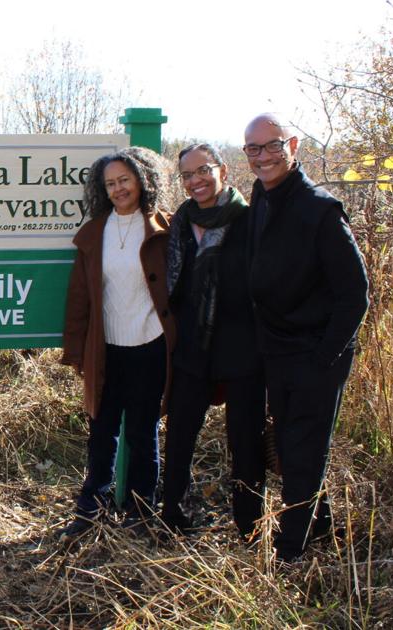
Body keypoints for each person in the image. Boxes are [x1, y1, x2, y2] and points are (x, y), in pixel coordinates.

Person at [243, 114, 368, 561]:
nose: (262, 157)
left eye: (271, 146)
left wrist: (324, 357)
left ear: (292, 145)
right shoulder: (262, 198)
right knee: (293, 447)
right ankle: (325, 531)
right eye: (253, 149)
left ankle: (289, 553)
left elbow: (356, 293)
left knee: (302, 451)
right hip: (277, 349)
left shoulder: (320, 209)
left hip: (317, 353)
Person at [59, 146, 175, 537]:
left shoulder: (164, 228)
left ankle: (142, 512)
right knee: (101, 432)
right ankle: (91, 510)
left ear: (142, 179)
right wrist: (76, 352)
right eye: (110, 184)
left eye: (124, 180)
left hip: (151, 345)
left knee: (143, 434)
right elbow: (79, 297)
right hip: (106, 349)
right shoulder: (95, 233)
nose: (118, 189)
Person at [160, 143, 266, 539]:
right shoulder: (181, 222)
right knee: (180, 437)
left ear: (222, 170)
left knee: (245, 443)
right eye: (187, 175)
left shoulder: (249, 219)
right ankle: (175, 519)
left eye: (202, 171)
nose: (195, 181)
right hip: (192, 347)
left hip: (242, 348)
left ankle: (249, 528)